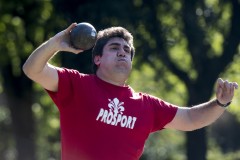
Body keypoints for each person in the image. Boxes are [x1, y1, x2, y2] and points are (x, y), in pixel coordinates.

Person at [23, 23, 238, 160]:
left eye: (127, 51)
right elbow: (32, 69)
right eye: (114, 48)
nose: (122, 53)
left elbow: (191, 118)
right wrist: (55, 43)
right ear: (97, 58)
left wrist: (220, 103)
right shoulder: (76, 84)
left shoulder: (146, 105)